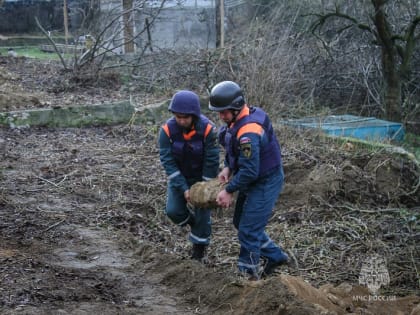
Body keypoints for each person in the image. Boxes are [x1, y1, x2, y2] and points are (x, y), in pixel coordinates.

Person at [208, 80, 289, 280]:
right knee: (239, 222)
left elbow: (250, 170)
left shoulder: (249, 132)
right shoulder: (236, 121)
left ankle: (248, 277)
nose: (220, 116)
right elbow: (233, 151)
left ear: (236, 107)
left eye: (224, 112)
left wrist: (228, 190)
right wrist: (228, 166)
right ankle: (276, 256)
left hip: (265, 180)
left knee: (248, 230)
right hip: (254, 178)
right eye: (218, 112)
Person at [159, 90, 220, 262]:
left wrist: (205, 187)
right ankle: (195, 224)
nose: (181, 121)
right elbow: (167, 161)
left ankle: (198, 253)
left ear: (194, 115)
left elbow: (212, 159)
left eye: (185, 117)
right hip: (180, 177)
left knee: (203, 213)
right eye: (178, 117)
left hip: (202, 177)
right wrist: (184, 189)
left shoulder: (208, 130)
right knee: (173, 211)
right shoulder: (166, 131)